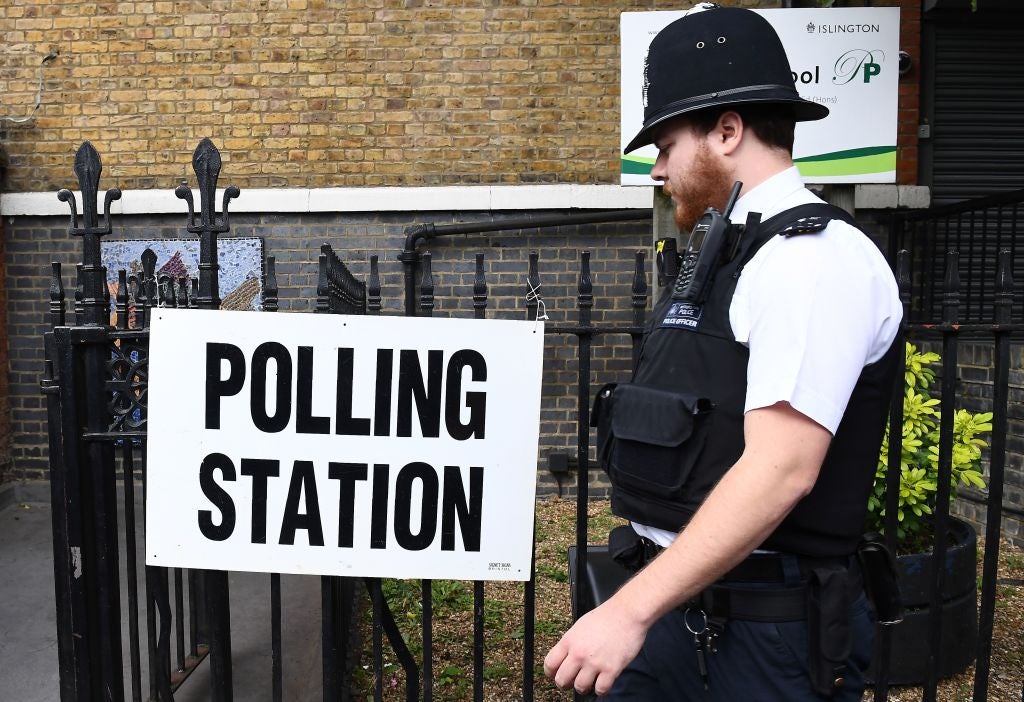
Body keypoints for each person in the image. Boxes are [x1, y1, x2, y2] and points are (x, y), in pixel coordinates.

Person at [543, 5, 903, 700]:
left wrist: (626, 611)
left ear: (728, 130)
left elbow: (780, 471)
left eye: (666, 145)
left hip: (764, 637)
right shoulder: (731, 254)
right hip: (680, 607)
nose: (657, 169)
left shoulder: (811, 263)